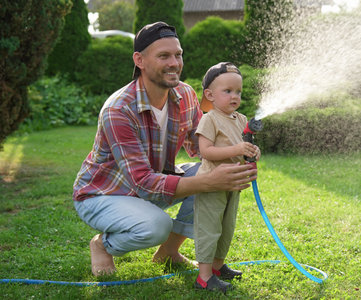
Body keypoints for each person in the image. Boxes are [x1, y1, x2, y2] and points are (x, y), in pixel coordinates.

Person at [72, 22, 257, 277]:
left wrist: (237, 154)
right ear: (140, 60)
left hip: (149, 185)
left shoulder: (185, 95)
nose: (174, 63)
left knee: (213, 172)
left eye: (178, 54)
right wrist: (208, 182)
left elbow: (202, 148)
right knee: (157, 225)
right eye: (163, 56)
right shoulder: (119, 110)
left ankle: (168, 252)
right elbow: (142, 181)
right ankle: (102, 245)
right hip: (104, 194)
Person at [193, 62, 261, 293]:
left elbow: (246, 146)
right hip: (211, 185)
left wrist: (253, 152)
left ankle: (217, 267)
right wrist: (237, 150)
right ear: (210, 95)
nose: (235, 96)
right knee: (209, 229)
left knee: (226, 228)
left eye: (238, 92)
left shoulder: (240, 119)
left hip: (234, 184)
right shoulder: (209, 119)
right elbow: (206, 151)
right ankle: (203, 277)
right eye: (228, 91)